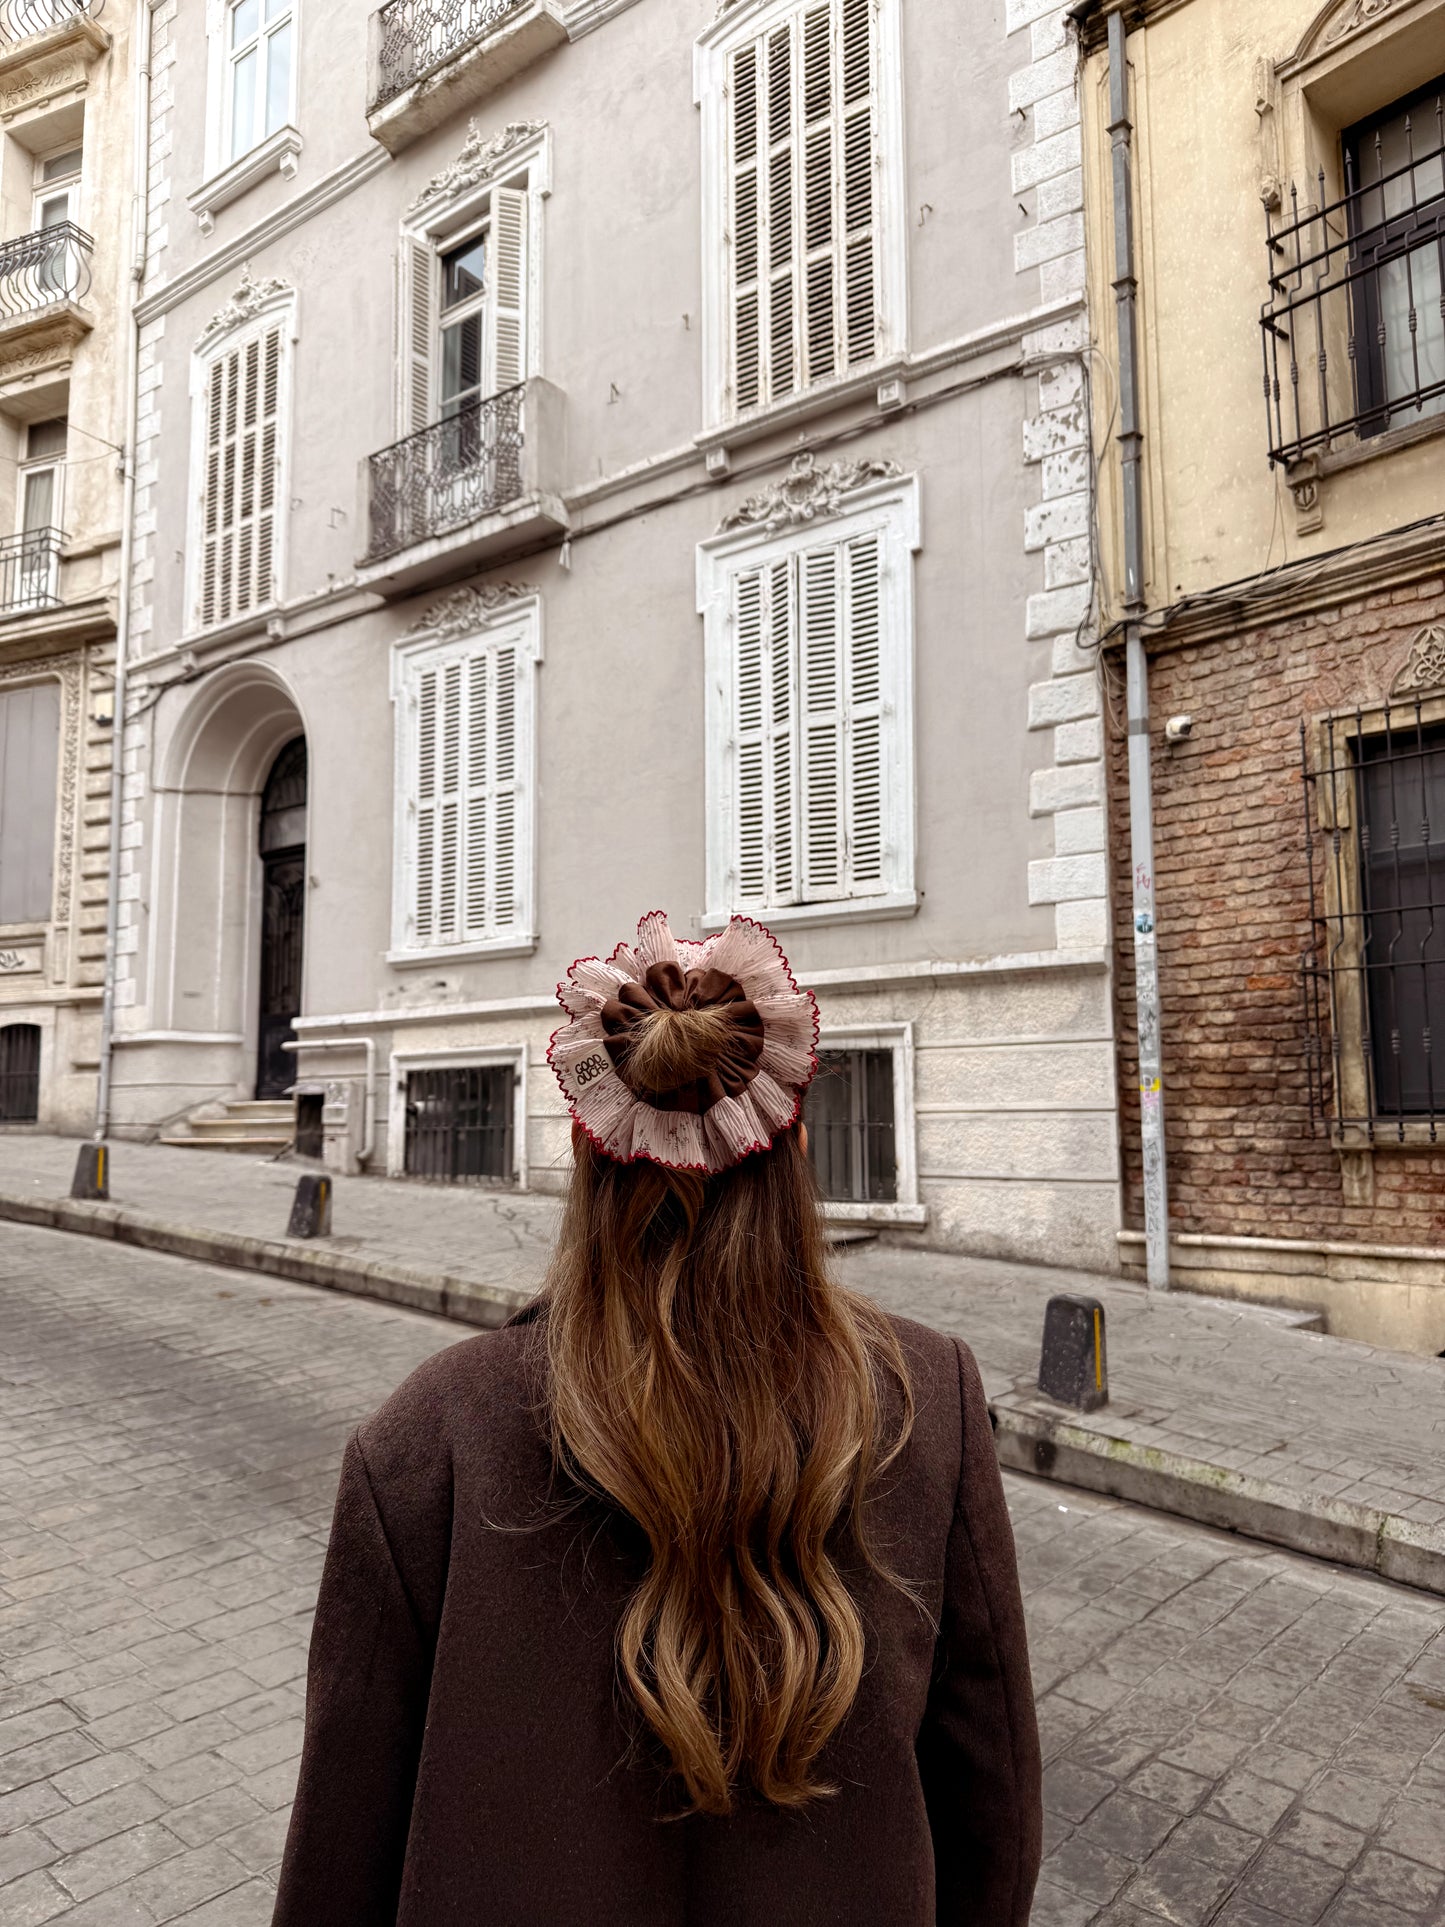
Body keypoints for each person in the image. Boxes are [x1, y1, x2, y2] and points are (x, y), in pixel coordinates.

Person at [273, 912, 1042, 1926]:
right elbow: (991, 1808)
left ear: (589, 1165)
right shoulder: (924, 1399)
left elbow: (342, 1850)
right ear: (794, 1146)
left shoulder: (427, 1439)